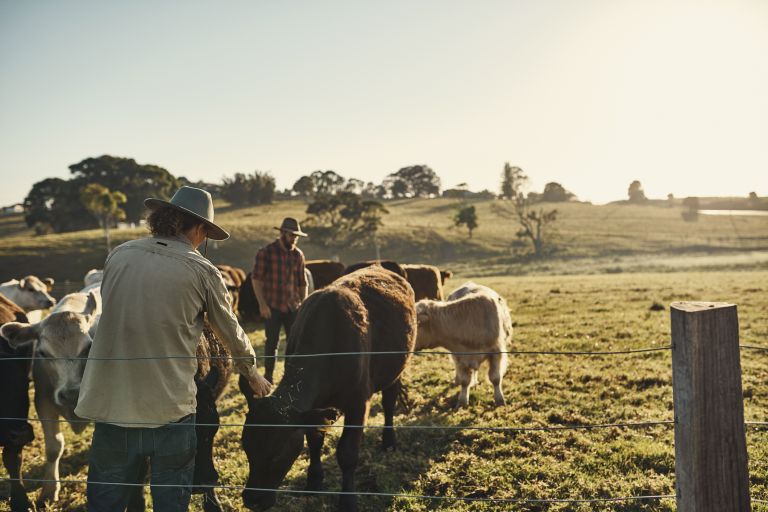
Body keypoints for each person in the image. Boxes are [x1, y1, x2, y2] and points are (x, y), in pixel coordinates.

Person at [75, 186, 271, 512]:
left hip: (110, 404)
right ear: (199, 229)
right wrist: (252, 372)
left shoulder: (119, 255)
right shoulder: (203, 271)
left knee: (105, 501)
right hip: (170, 411)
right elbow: (230, 330)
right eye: (205, 233)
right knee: (170, 501)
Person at [251, 217, 308, 383]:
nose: (294, 239)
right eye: (292, 235)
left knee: (293, 344)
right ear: (282, 233)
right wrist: (262, 305)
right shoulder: (266, 252)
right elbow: (256, 280)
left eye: (296, 236)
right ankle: (269, 376)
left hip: (292, 307)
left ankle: (289, 378)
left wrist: (302, 305)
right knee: (271, 343)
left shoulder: (298, 255)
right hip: (272, 306)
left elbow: (302, 282)